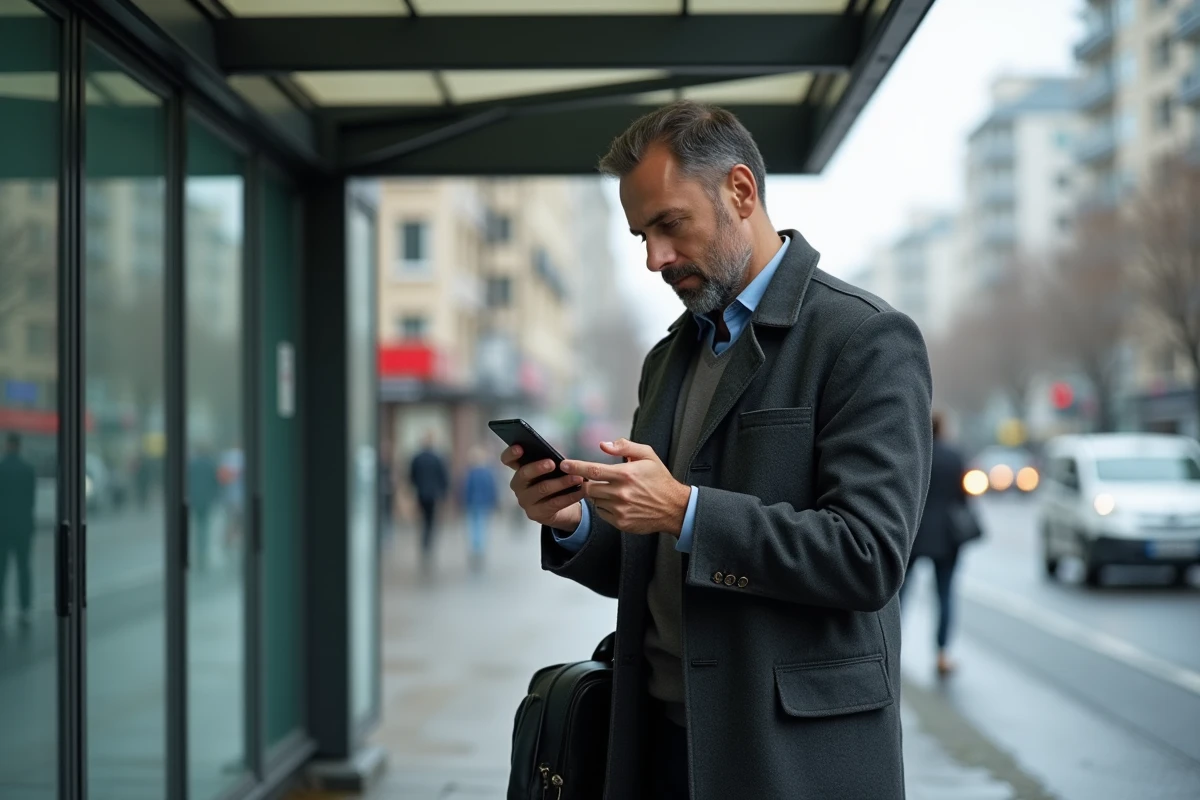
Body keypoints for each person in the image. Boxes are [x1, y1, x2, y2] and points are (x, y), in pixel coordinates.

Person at [501, 102, 932, 799]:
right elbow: (657, 562)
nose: (654, 259)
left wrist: (684, 510)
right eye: (641, 234)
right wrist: (575, 520)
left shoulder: (864, 337)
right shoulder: (668, 358)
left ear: (740, 190)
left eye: (670, 225)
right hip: (659, 745)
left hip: (791, 758)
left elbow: (869, 557)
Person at [900, 412, 968, 676]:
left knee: (900, 595)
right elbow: (964, 497)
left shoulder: (913, 454)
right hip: (948, 538)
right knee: (945, 595)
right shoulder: (954, 456)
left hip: (915, 536)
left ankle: (895, 648)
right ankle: (942, 654)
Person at [0, 434, 37, 630]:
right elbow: (31, 502)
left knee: (1, 571)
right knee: (24, 569)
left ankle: (1, 609)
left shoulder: (1, 469)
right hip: (23, 527)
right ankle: (25, 609)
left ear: (7, 445)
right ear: (19, 445)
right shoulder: (28, 470)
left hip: (2, 527)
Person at [409, 432, 448, 562]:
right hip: (432, 493)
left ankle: (425, 541)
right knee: (430, 519)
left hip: (421, 493)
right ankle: (428, 542)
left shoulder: (417, 458)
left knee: (423, 519)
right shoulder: (437, 458)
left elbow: (412, 475)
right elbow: (443, 476)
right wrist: (443, 492)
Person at [461, 447, 498, 570]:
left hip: (472, 503)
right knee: (481, 526)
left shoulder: (471, 473)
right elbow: (491, 488)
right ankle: (479, 548)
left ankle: (475, 547)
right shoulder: (487, 473)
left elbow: (466, 489)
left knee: (473, 526)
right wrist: (493, 502)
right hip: (484, 503)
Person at [188, 445, 221, 572]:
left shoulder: (192, 464)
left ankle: (200, 549)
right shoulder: (210, 464)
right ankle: (203, 549)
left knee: (199, 524)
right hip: (207, 499)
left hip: (195, 499)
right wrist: (215, 496)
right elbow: (216, 481)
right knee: (205, 525)